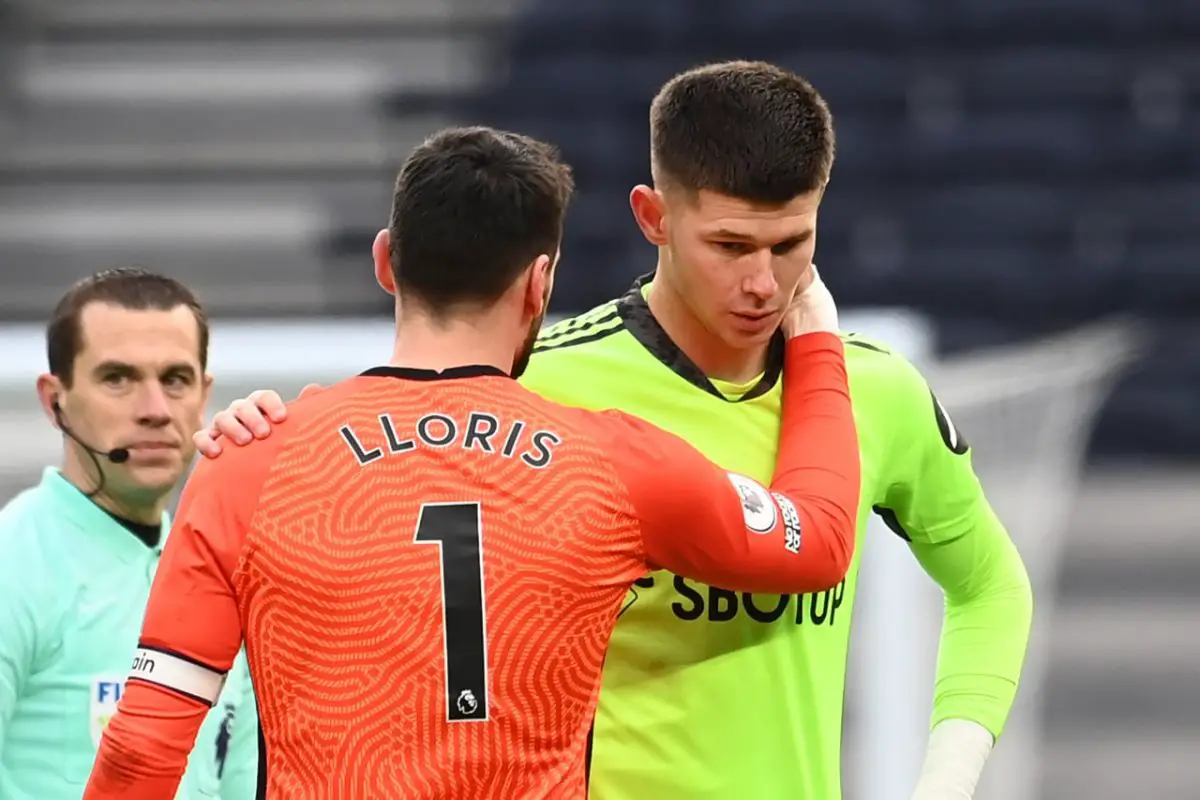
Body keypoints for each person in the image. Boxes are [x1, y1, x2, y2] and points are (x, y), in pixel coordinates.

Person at [201, 61, 1036, 800]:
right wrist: (273, 434)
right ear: (652, 216)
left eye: (791, 246)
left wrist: (947, 778)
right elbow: (374, 516)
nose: (760, 283)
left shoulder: (876, 394)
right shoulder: (545, 389)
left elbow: (990, 584)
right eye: (729, 244)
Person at [82, 125, 862, 799]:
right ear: (540, 283)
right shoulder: (617, 463)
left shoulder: (253, 462)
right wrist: (817, 339)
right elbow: (819, 540)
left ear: (387, 262)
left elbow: (142, 748)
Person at [0, 268, 258, 800]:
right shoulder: (14, 561)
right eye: (117, 378)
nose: (156, 411)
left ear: (204, 394)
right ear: (55, 401)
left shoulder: (226, 573)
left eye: (176, 379)